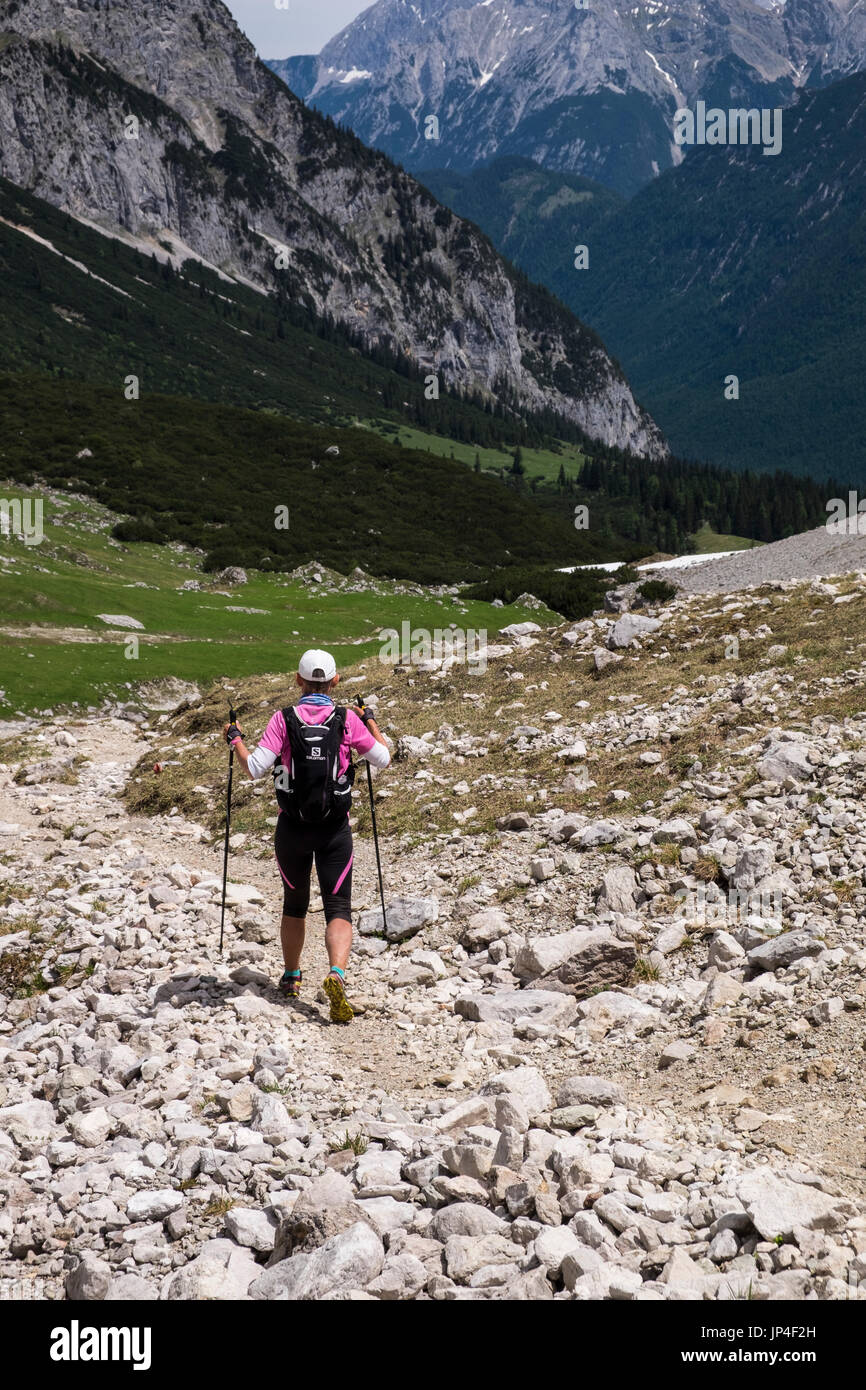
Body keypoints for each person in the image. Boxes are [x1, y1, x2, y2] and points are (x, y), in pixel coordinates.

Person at [223, 649, 390, 1023]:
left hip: (292, 829)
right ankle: (336, 973)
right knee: (338, 906)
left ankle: (292, 975)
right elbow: (383, 759)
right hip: (334, 830)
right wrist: (372, 721)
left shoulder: (282, 719)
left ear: (298, 680)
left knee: (294, 905)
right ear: (335, 682)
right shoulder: (348, 719)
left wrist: (235, 738)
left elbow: (254, 768)